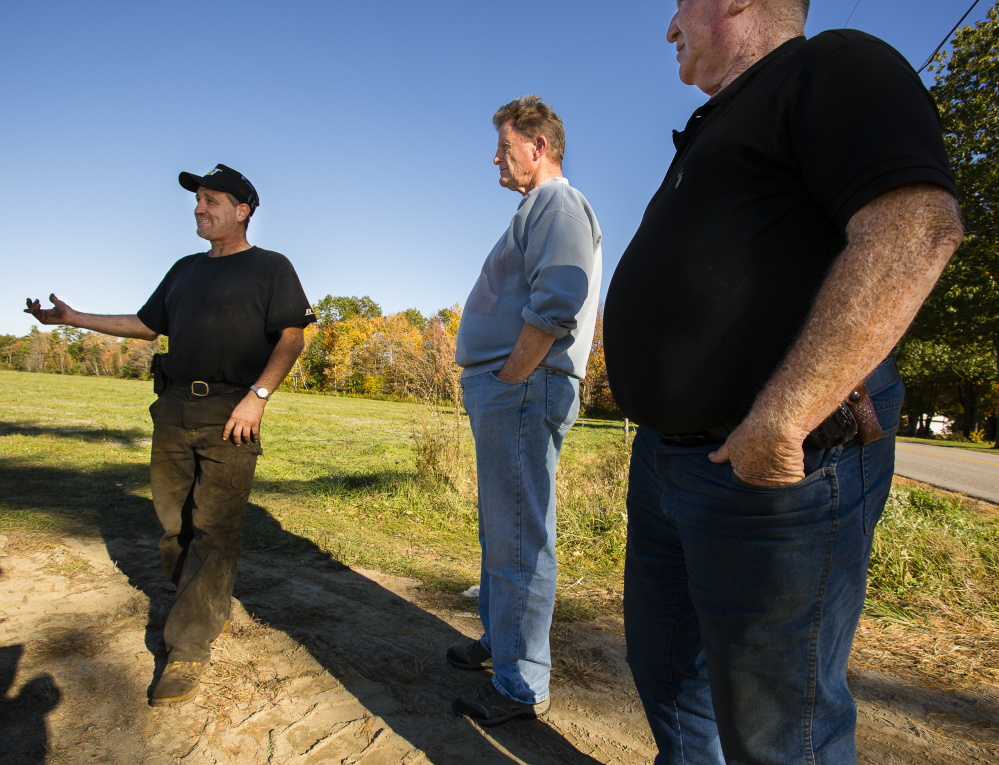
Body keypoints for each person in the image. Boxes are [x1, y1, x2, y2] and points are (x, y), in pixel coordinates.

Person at [602, 0, 964, 762]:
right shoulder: (712, 128)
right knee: (666, 674)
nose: (668, 29)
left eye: (678, 6)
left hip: (771, 465)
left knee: (779, 726)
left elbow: (914, 226)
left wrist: (783, 416)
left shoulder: (829, 65)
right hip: (671, 463)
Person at [25, 164, 316, 707]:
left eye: (211, 200)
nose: (200, 208)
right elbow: (145, 323)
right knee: (172, 527)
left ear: (243, 210)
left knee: (213, 528)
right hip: (174, 407)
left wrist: (258, 396)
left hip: (233, 412)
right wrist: (71, 317)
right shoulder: (184, 269)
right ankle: (204, 603)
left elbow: (293, 337)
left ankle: (187, 648)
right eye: (197, 200)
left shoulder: (271, 268)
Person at [449, 96, 602, 726]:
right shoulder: (535, 208)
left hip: (523, 386)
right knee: (501, 529)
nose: (496, 157)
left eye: (505, 146)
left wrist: (512, 375)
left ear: (537, 148)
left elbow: (560, 298)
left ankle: (520, 684)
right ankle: (502, 644)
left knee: (518, 537)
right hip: (513, 388)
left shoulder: (558, 203)